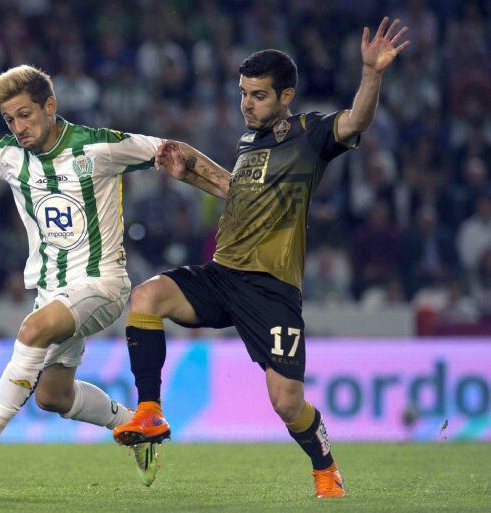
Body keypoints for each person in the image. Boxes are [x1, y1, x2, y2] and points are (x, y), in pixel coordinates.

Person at [0, 64, 228, 487]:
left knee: (32, 330)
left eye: (25, 115)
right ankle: (133, 428)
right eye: (9, 119)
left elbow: (172, 150)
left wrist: (234, 192)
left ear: (50, 106)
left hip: (101, 284)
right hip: (52, 292)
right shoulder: (9, 156)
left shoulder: (98, 147)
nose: (18, 127)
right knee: (53, 397)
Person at [112, 17, 410, 499]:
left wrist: (371, 72)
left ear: (285, 97)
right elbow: (235, 191)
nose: (247, 105)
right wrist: (188, 168)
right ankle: (149, 410)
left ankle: (325, 467)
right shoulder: (248, 144)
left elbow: (355, 120)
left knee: (286, 402)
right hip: (223, 275)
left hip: (272, 289)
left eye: (259, 96)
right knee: (146, 296)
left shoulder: (310, 135)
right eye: (243, 94)